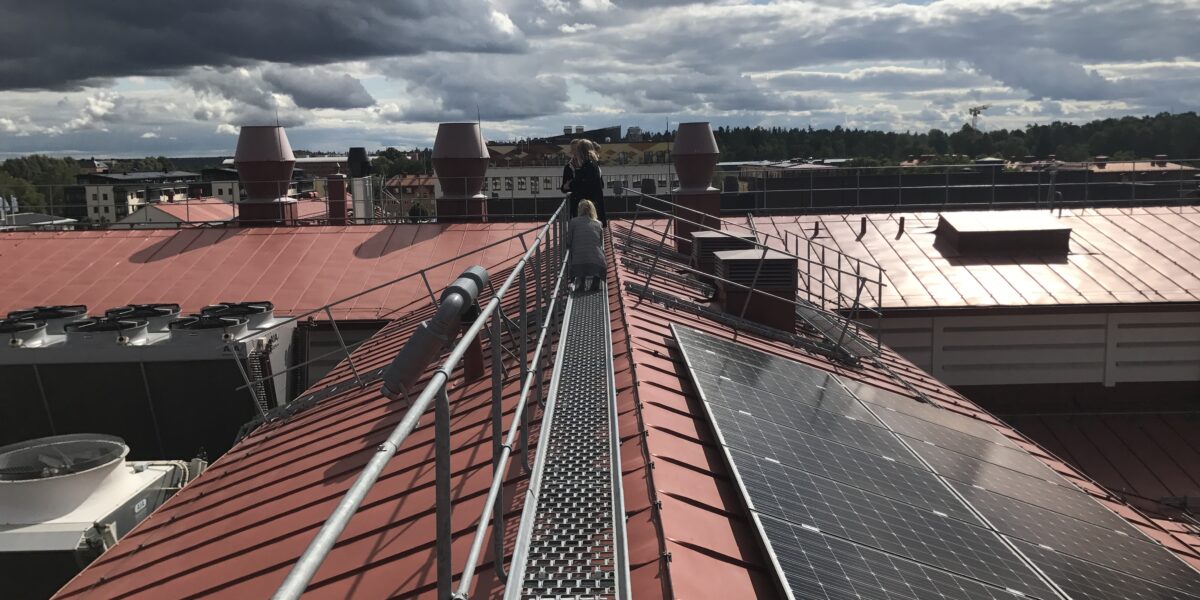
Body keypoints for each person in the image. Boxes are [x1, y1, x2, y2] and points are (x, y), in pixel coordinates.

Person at [566, 199, 606, 292]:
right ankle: (595, 282)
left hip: (578, 261)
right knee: (599, 257)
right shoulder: (598, 224)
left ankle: (581, 283)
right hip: (596, 261)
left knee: (579, 255)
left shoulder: (573, 222)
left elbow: (569, 241)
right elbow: (600, 243)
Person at [568, 140, 607, 226]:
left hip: (588, 211)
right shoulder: (592, 164)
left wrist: (576, 171)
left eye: (577, 151)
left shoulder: (588, 166)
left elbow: (579, 186)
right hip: (593, 210)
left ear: (581, 152)